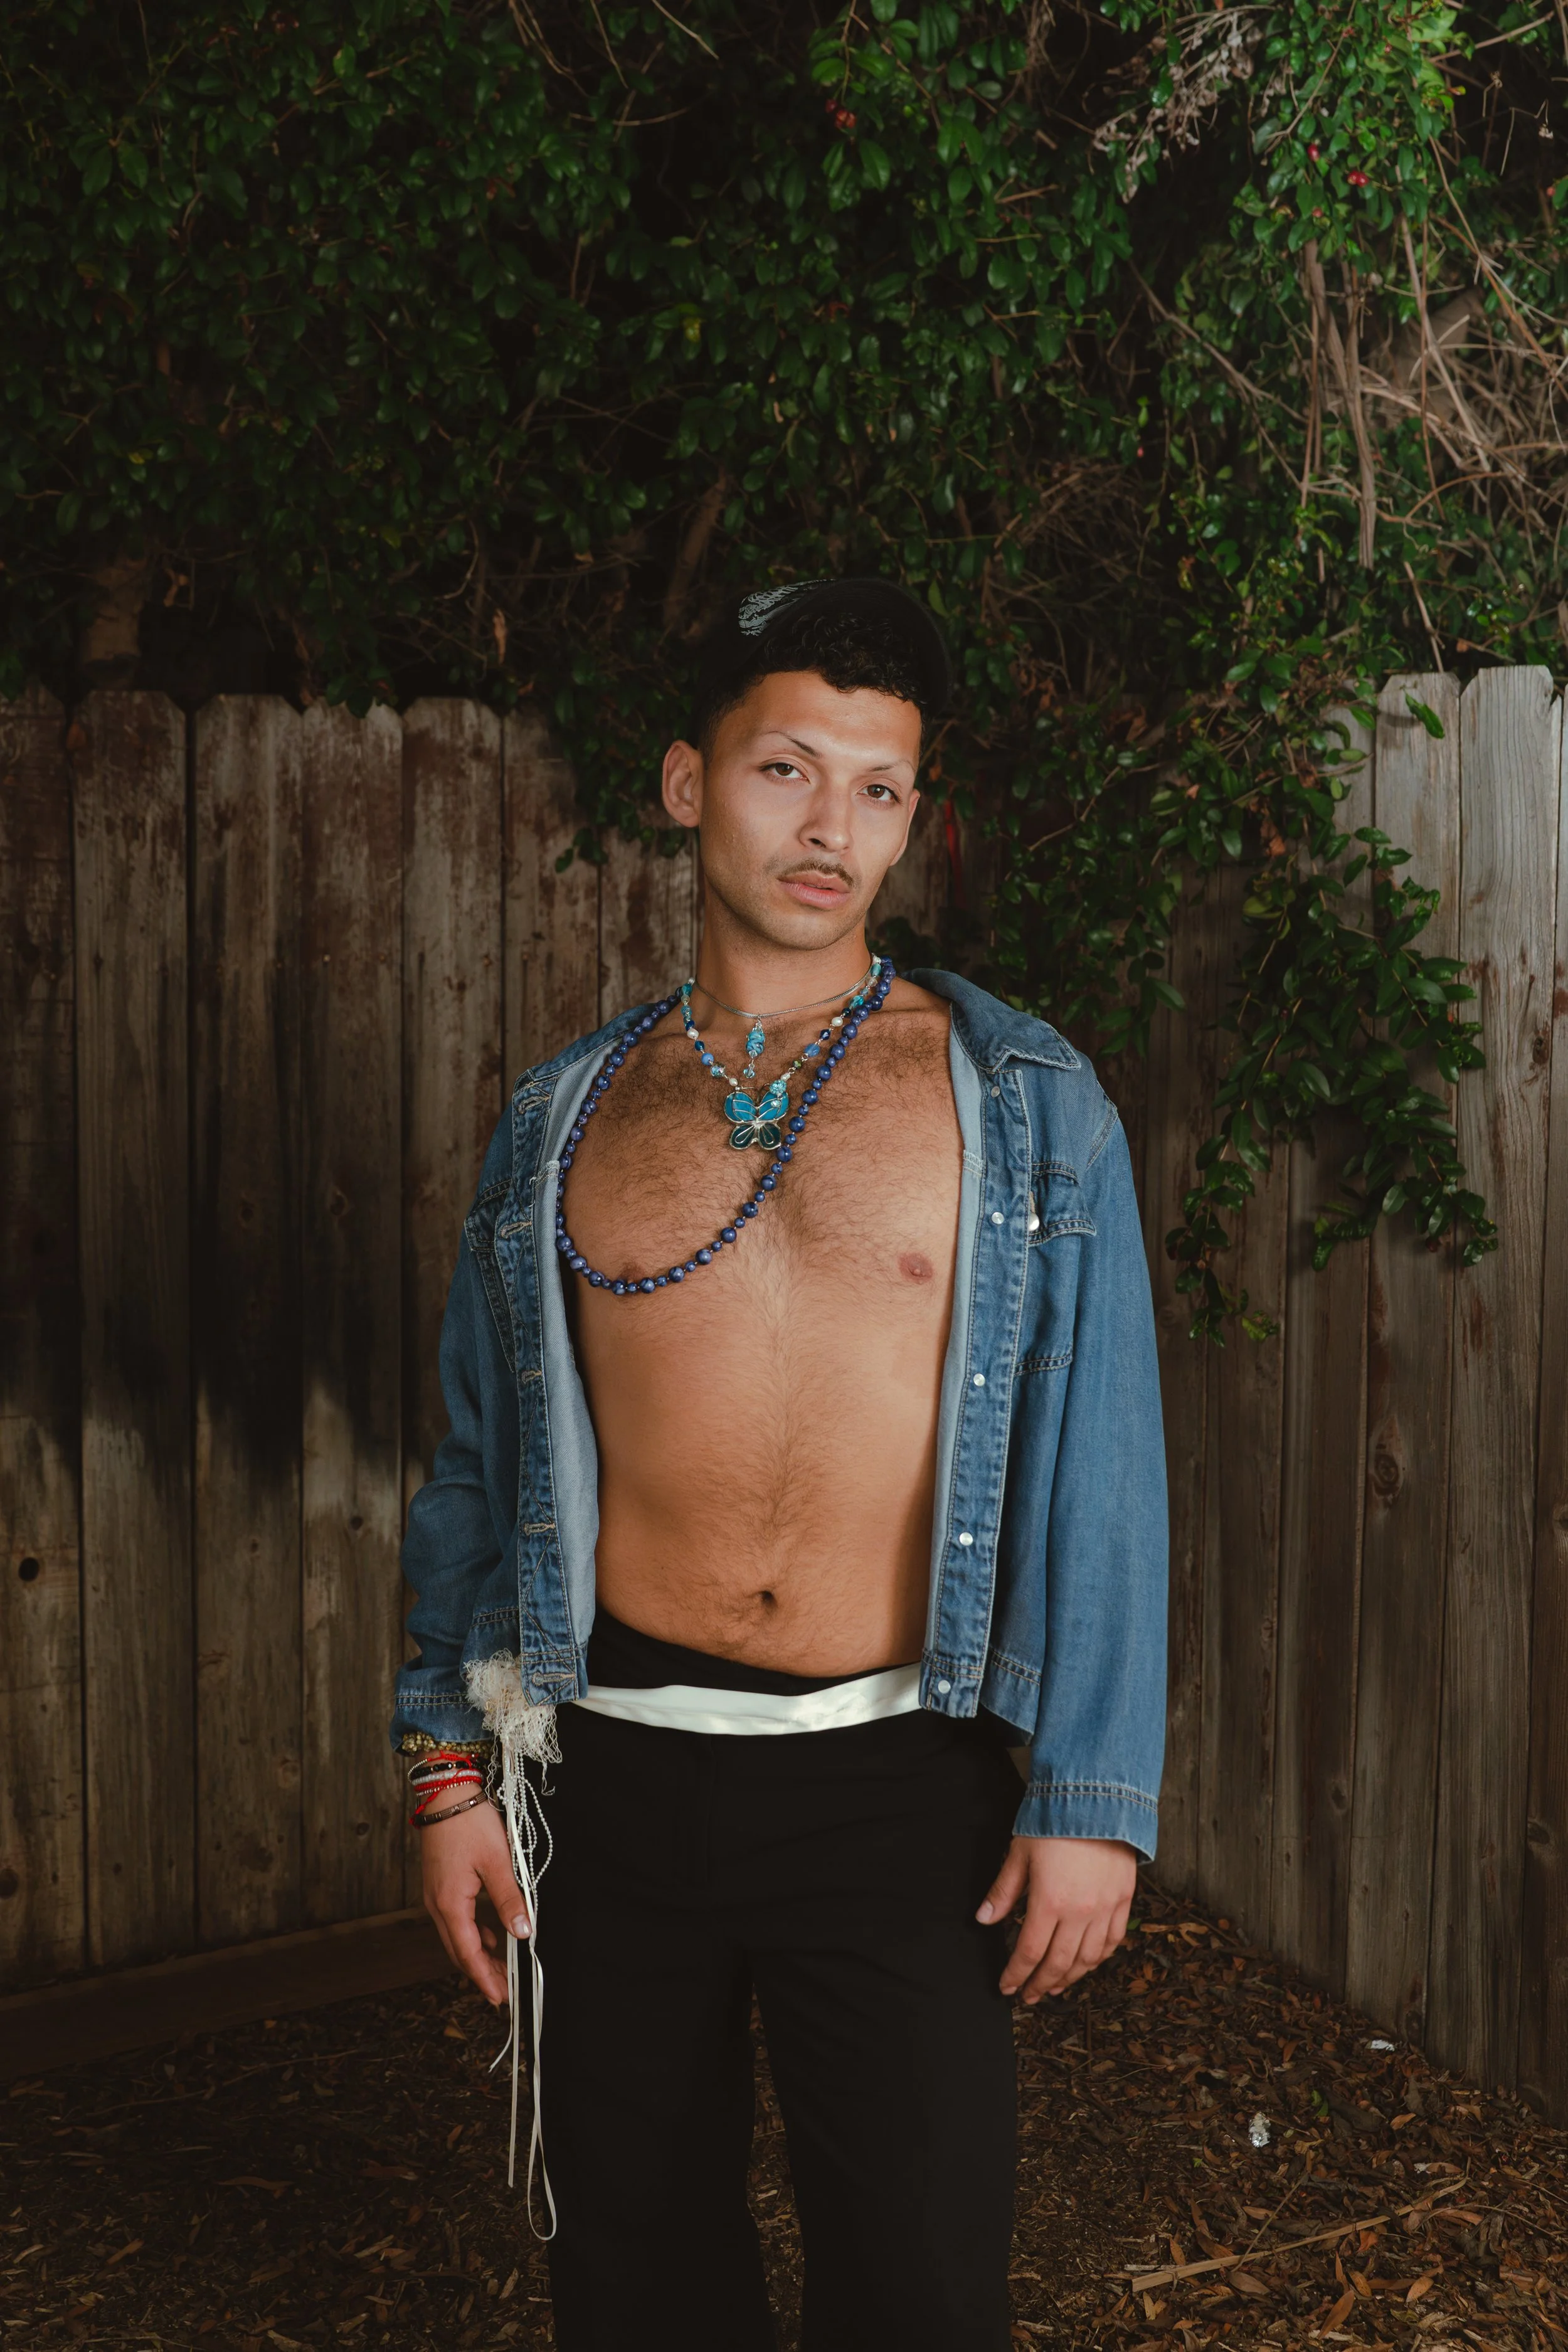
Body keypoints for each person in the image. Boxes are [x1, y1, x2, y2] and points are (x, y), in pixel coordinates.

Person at [390, 577, 1168, 2351]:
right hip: (610, 1783)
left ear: (914, 818)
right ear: (685, 783)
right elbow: (470, 1463)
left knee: (913, 2270)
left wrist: (1090, 1801)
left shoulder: (1020, 1100)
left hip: (897, 1786)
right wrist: (446, 1769)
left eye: (879, 788)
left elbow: (1103, 1458)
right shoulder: (564, 1118)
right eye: (786, 769)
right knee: (636, 2271)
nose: (831, 827)